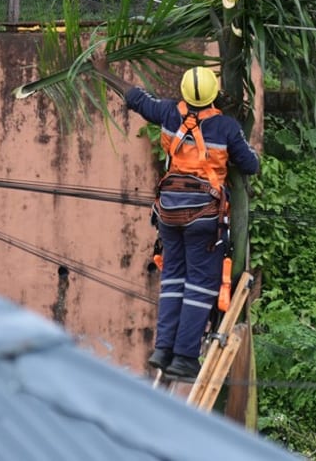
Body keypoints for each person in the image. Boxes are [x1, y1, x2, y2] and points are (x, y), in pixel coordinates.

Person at [99, 65, 260, 379]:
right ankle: (185, 357)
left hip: (169, 211)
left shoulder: (168, 113)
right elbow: (250, 163)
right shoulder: (226, 127)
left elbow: (137, 99)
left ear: (185, 92)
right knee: (200, 285)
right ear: (215, 95)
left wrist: (104, 72)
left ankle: (163, 350)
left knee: (173, 279)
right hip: (204, 216)